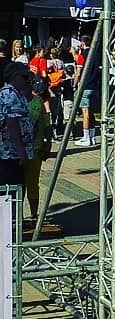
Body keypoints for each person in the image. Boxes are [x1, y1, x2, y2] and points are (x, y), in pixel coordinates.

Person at [22, 74, 51, 223]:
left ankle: (30, 215)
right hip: (24, 150)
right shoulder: (17, 100)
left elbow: (46, 124)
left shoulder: (35, 100)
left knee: (28, 184)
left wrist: (48, 143)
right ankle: (24, 215)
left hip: (31, 150)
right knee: (25, 184)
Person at [0, 63, 33, 188]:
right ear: (15, 76)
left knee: (18, 187)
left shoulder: (17, 93)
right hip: (10, 153)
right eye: (25, 77)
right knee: (12, 189)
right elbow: (11, 123)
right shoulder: (9, 94)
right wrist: (20, 150)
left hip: (14, 154)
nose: (27, 80)